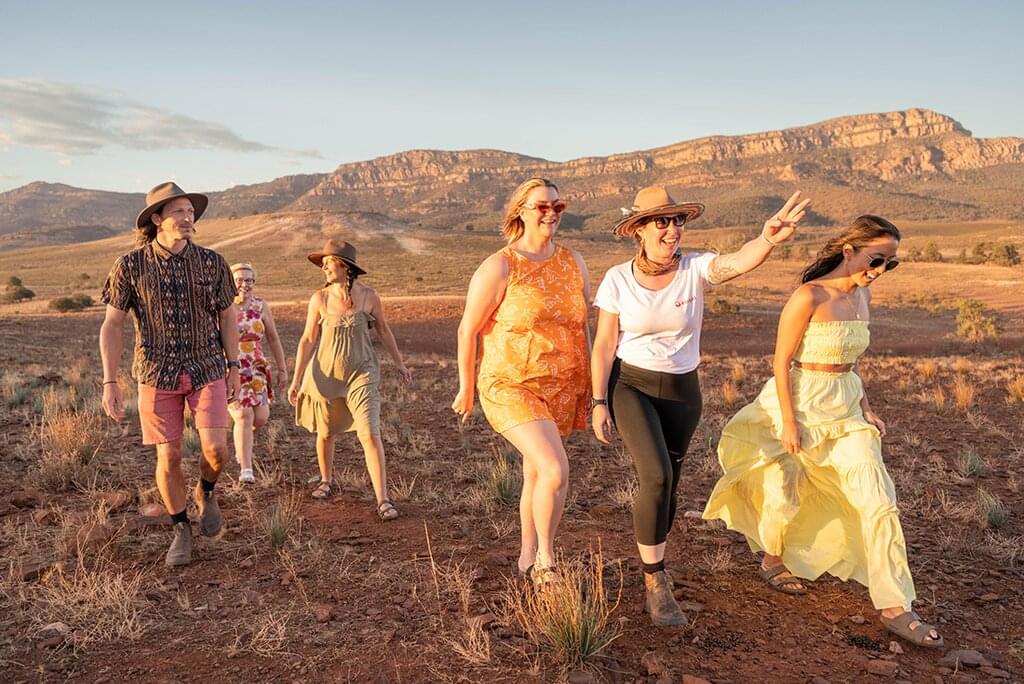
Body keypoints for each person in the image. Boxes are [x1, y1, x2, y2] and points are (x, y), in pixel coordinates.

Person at [702, 216, 943, 648]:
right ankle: (772, 559)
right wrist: (789, 422)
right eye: (876, 260)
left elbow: (851, 362)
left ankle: (895, 607)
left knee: (879, 501)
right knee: (784, 487)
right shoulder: (808, 296)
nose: (880, 270)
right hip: (799, 402)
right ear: (849, 251)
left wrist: (866, 408)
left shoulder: (863, 296)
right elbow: (781, 362)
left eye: (890, 263)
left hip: (846, 409)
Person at [591, 186, 809, 625]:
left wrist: (766, 239)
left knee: (670, 484)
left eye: (678, 221)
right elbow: (603, 345)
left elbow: (736, 263)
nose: (672, 230)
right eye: (661, 222)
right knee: (655, 475)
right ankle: (655, 580)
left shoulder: (694, 268)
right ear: (638, 230)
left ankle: (655, 551)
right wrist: (598, 400)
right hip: (631, 385)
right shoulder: (617, 279)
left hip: (682, 392)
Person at [452, 177, 591, 587]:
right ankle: (547, 562)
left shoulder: (574, 262)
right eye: (541, 207)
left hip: (561, 385)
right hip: (510, 384)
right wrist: (466, 387)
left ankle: (527, 556)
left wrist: (592, 385)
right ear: (521, 213)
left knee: (536, 473)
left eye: (557, 206)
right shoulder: (500, 266)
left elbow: (582, 325)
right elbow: (468, 329)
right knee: (554, 469)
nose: (551, 214)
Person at [100, 182, 239, 566]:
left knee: (217, 449)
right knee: (170, 455)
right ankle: (181, 528)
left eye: (191, 212)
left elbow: (228, 316)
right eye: (179, 211)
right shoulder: (130, 266)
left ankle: (206, 491)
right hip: (156, 372)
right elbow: (113, 324)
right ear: (158, 219)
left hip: (207, 366)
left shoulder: (212, 263)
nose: (188, 217)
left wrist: (234, 366)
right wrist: (110, 380)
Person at [288, 239, 411, 520]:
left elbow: (384, 331)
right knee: (326, 433)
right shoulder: (319, 299)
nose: (324, 269)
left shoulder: (369, 296)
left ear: (345, 267)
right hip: (325, 374)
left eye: (328, 264)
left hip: (362, 372)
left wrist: (400, 364)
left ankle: (383, 500)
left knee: (369, 433)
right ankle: (326, 480)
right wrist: (296, 380)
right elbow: (308, 340)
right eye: (323, 265)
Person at [227, 263, 288, 483]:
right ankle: (246, 469)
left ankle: (241, 441)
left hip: (257, 367)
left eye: (249, 280)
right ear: (231, 282)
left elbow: (273, 338)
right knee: (244, 415)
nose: (245, 284)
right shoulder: (224, 306)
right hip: (232, 368)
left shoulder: (261, 306)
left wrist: (282, 369)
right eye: (239, 280)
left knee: (260, 418)